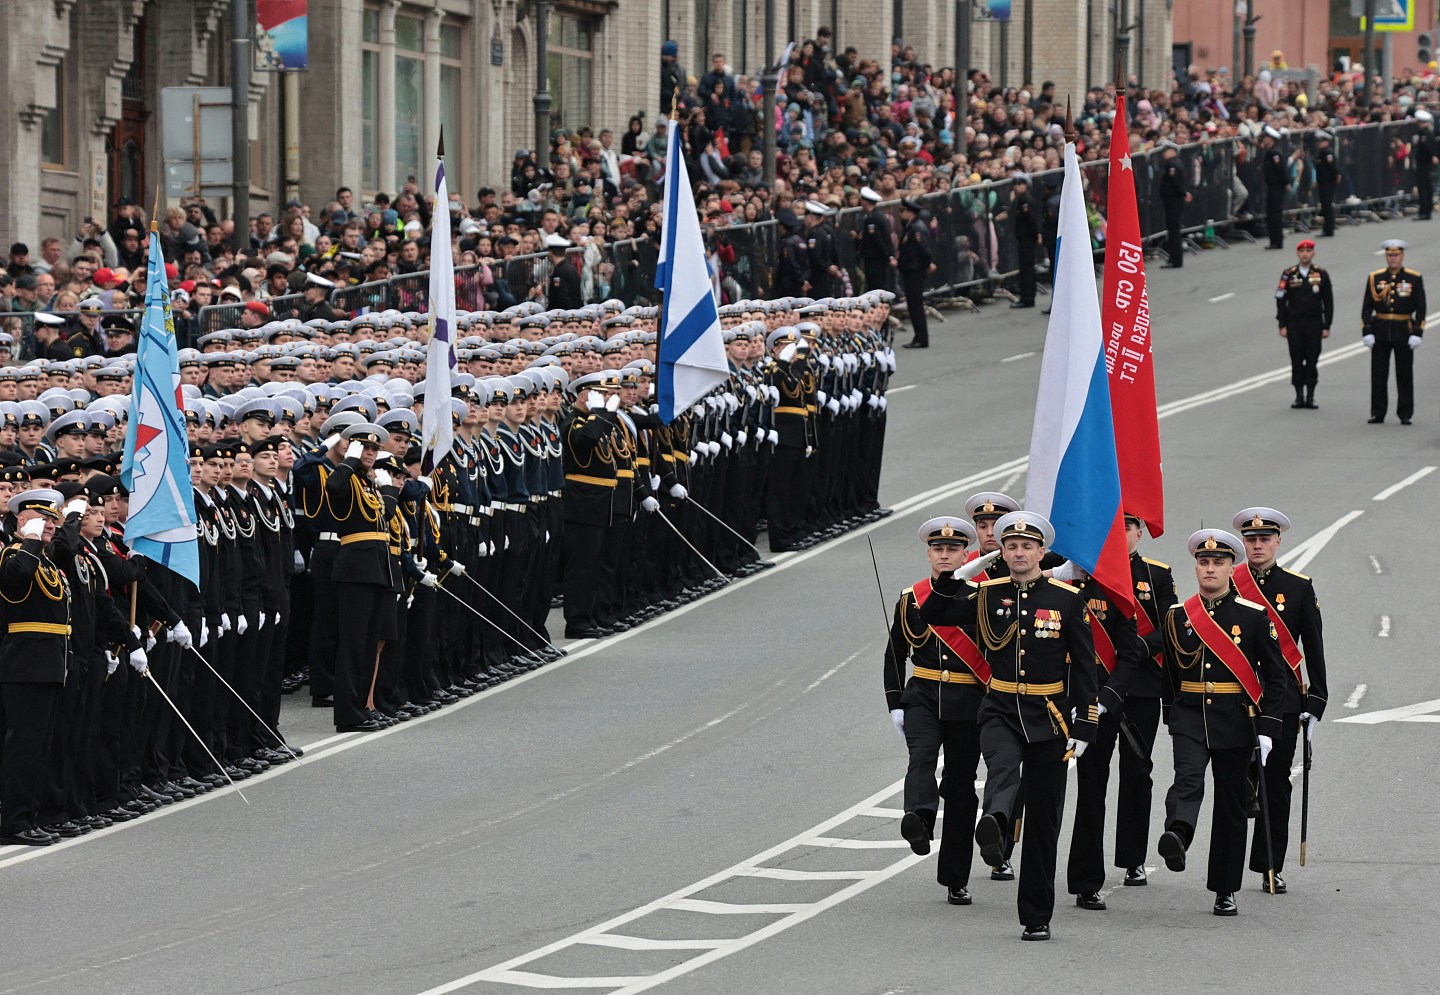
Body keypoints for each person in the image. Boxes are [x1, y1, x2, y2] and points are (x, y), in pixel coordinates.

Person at [917, 511, 1098, 941]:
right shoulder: (985, 593)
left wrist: (1086, 725)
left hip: (1048, 713)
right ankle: (995, 822)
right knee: (1001, 763)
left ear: (1040, 553)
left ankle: (1036, 915)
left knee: (1043, 820)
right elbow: (934, 612)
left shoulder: (1067, 599)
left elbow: (1086, 668)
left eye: (1027, 546)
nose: (1018, 553)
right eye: (1011, 546)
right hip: (999, 705)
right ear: (1003, 551)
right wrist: (962, 572)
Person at [1154, 529, 1288, 917]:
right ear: (1195, 567)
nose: (1210, 569)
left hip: (1236, 719)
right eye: (1204, 562)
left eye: (1218, 563)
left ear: (1232, 568)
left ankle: (1225, 888)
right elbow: (1170, 676)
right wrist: (1173, 715)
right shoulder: (1178, 617)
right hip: (1191, 716)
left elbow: (1275, 677)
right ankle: (1178, 834)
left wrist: (1268, 727)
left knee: (1230, 804)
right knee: (1187, 779)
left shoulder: (1252, 616)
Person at [885, 516, 986, 905]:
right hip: (924, 695)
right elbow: (895, 653)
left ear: (965, 554)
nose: (945, 555)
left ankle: (955, 876)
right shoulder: (911, 598)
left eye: (953, 550)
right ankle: (920, 820)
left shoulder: (980, 595)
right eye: (938, 549)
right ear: (928, 553)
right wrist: (895, 702)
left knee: (961, 786)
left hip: (968, 701)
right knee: (922, 757)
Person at [1230, 507, 1327, 895]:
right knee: (1237, 780)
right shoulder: (1228, 581)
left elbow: (1314, 648)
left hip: (1284, 699)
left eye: (1264, 539)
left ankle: (1270, 866)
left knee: (1275, 783)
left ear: (1277, 542)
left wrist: (1316, 699)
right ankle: (1228, 867)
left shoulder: (1298, 587)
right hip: (1235, 696)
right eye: (1250, 539)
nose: (1257, 545)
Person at [1361, 239, 1425, 424]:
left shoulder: (1414, 278)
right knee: (1379, 374)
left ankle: (1405, 413)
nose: (1393, 259)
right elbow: (1367, 306)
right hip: (1380, 329)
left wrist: (1417, 333)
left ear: (1402, 256)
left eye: (1396, 255)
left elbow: (1421, 308)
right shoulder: (1376, 278)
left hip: (1403, 330)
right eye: (1390, 255)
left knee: (1404, 374)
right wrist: (1367, 330)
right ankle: (1378, 412)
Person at [1274, 238, 1333, 409]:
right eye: (1302, 251)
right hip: (1294, 323)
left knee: (1312, 359)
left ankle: (1311, 395)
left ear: (1313, 253)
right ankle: (1299, 395)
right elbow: (1280, 299)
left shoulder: (1321, 274)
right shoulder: (1289, 274)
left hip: (1314, 322)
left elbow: (1328, 301)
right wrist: (1282, 324)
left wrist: (1326, 325)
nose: (1305, 254)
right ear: (1297, 253)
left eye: (1308, 251)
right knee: (1297, 359)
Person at [897, 198, 933, 348]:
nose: (902, 214)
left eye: (904, 211)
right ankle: (918, 336)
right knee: (913, 305)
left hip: (915, 270)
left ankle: (921, 337)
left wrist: (928, 264)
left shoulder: (916, 228)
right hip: (910, 269)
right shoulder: (910, 226)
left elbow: (923, 249)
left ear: (909, 212)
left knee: (916, 305)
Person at [1006, 173, 1041, 307]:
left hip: (1027, 238)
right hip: (1023, 237)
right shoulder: (1020, 199)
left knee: (1027, 268)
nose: (1017, 187)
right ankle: (1026, 296)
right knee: (1025, 267)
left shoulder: (1025, 200)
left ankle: (1028, 298)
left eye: (1020, 184)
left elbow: (1031, 219)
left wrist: (1037, 233)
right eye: (1015, 184)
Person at [855, 187, 896, 295]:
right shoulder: (877, 215)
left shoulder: (872, 218)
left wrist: (888, 256)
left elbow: (878, 240)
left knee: (876, 286)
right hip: (877, 257)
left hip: (875, 258)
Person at [1158, 141, 1192, 268]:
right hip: (1173, 199)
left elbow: (1176, 182)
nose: (1164, 154)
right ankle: (1174, 257)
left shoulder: (1172, 164)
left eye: (1166, 151)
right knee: (1173, 229)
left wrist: (1184, 193)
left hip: (1173, 199)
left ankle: (1176, 259)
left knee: (1174, 229)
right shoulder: (1175, 163)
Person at [1261, 126, 1287, 249]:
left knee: (1275, 214)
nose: (1264, 140)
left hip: (1276, 187)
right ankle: (1274, 240)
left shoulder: (1274, 153)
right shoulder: (1270, 152)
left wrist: (1286, 182)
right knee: (1271, 214)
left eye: (1265, 138)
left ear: (1270, 139)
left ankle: (1276, 241)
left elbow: (1281, 170)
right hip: (1272, 187)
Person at [1313, 131, 1340, 237]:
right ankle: (1328, 227)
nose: (1318, 143)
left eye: (1321, 141)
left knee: (1327, 205)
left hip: (1327, 182)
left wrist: (1336, 175)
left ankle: (1328, 229)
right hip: (1323, 182)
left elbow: (1331, 167)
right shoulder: (1321, 152)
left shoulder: (1327, 152)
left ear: (1326, 142)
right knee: (1325, 205)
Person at [1414, 110, 1436, 221]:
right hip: (1427, 162)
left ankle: (1424, 211)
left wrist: (1432, 155)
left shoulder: (1423, 133)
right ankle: (1428, 209)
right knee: (1427, 185)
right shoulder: (1429, 131)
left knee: (1422, 186)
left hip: (1423, 162)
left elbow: (1426, 147)